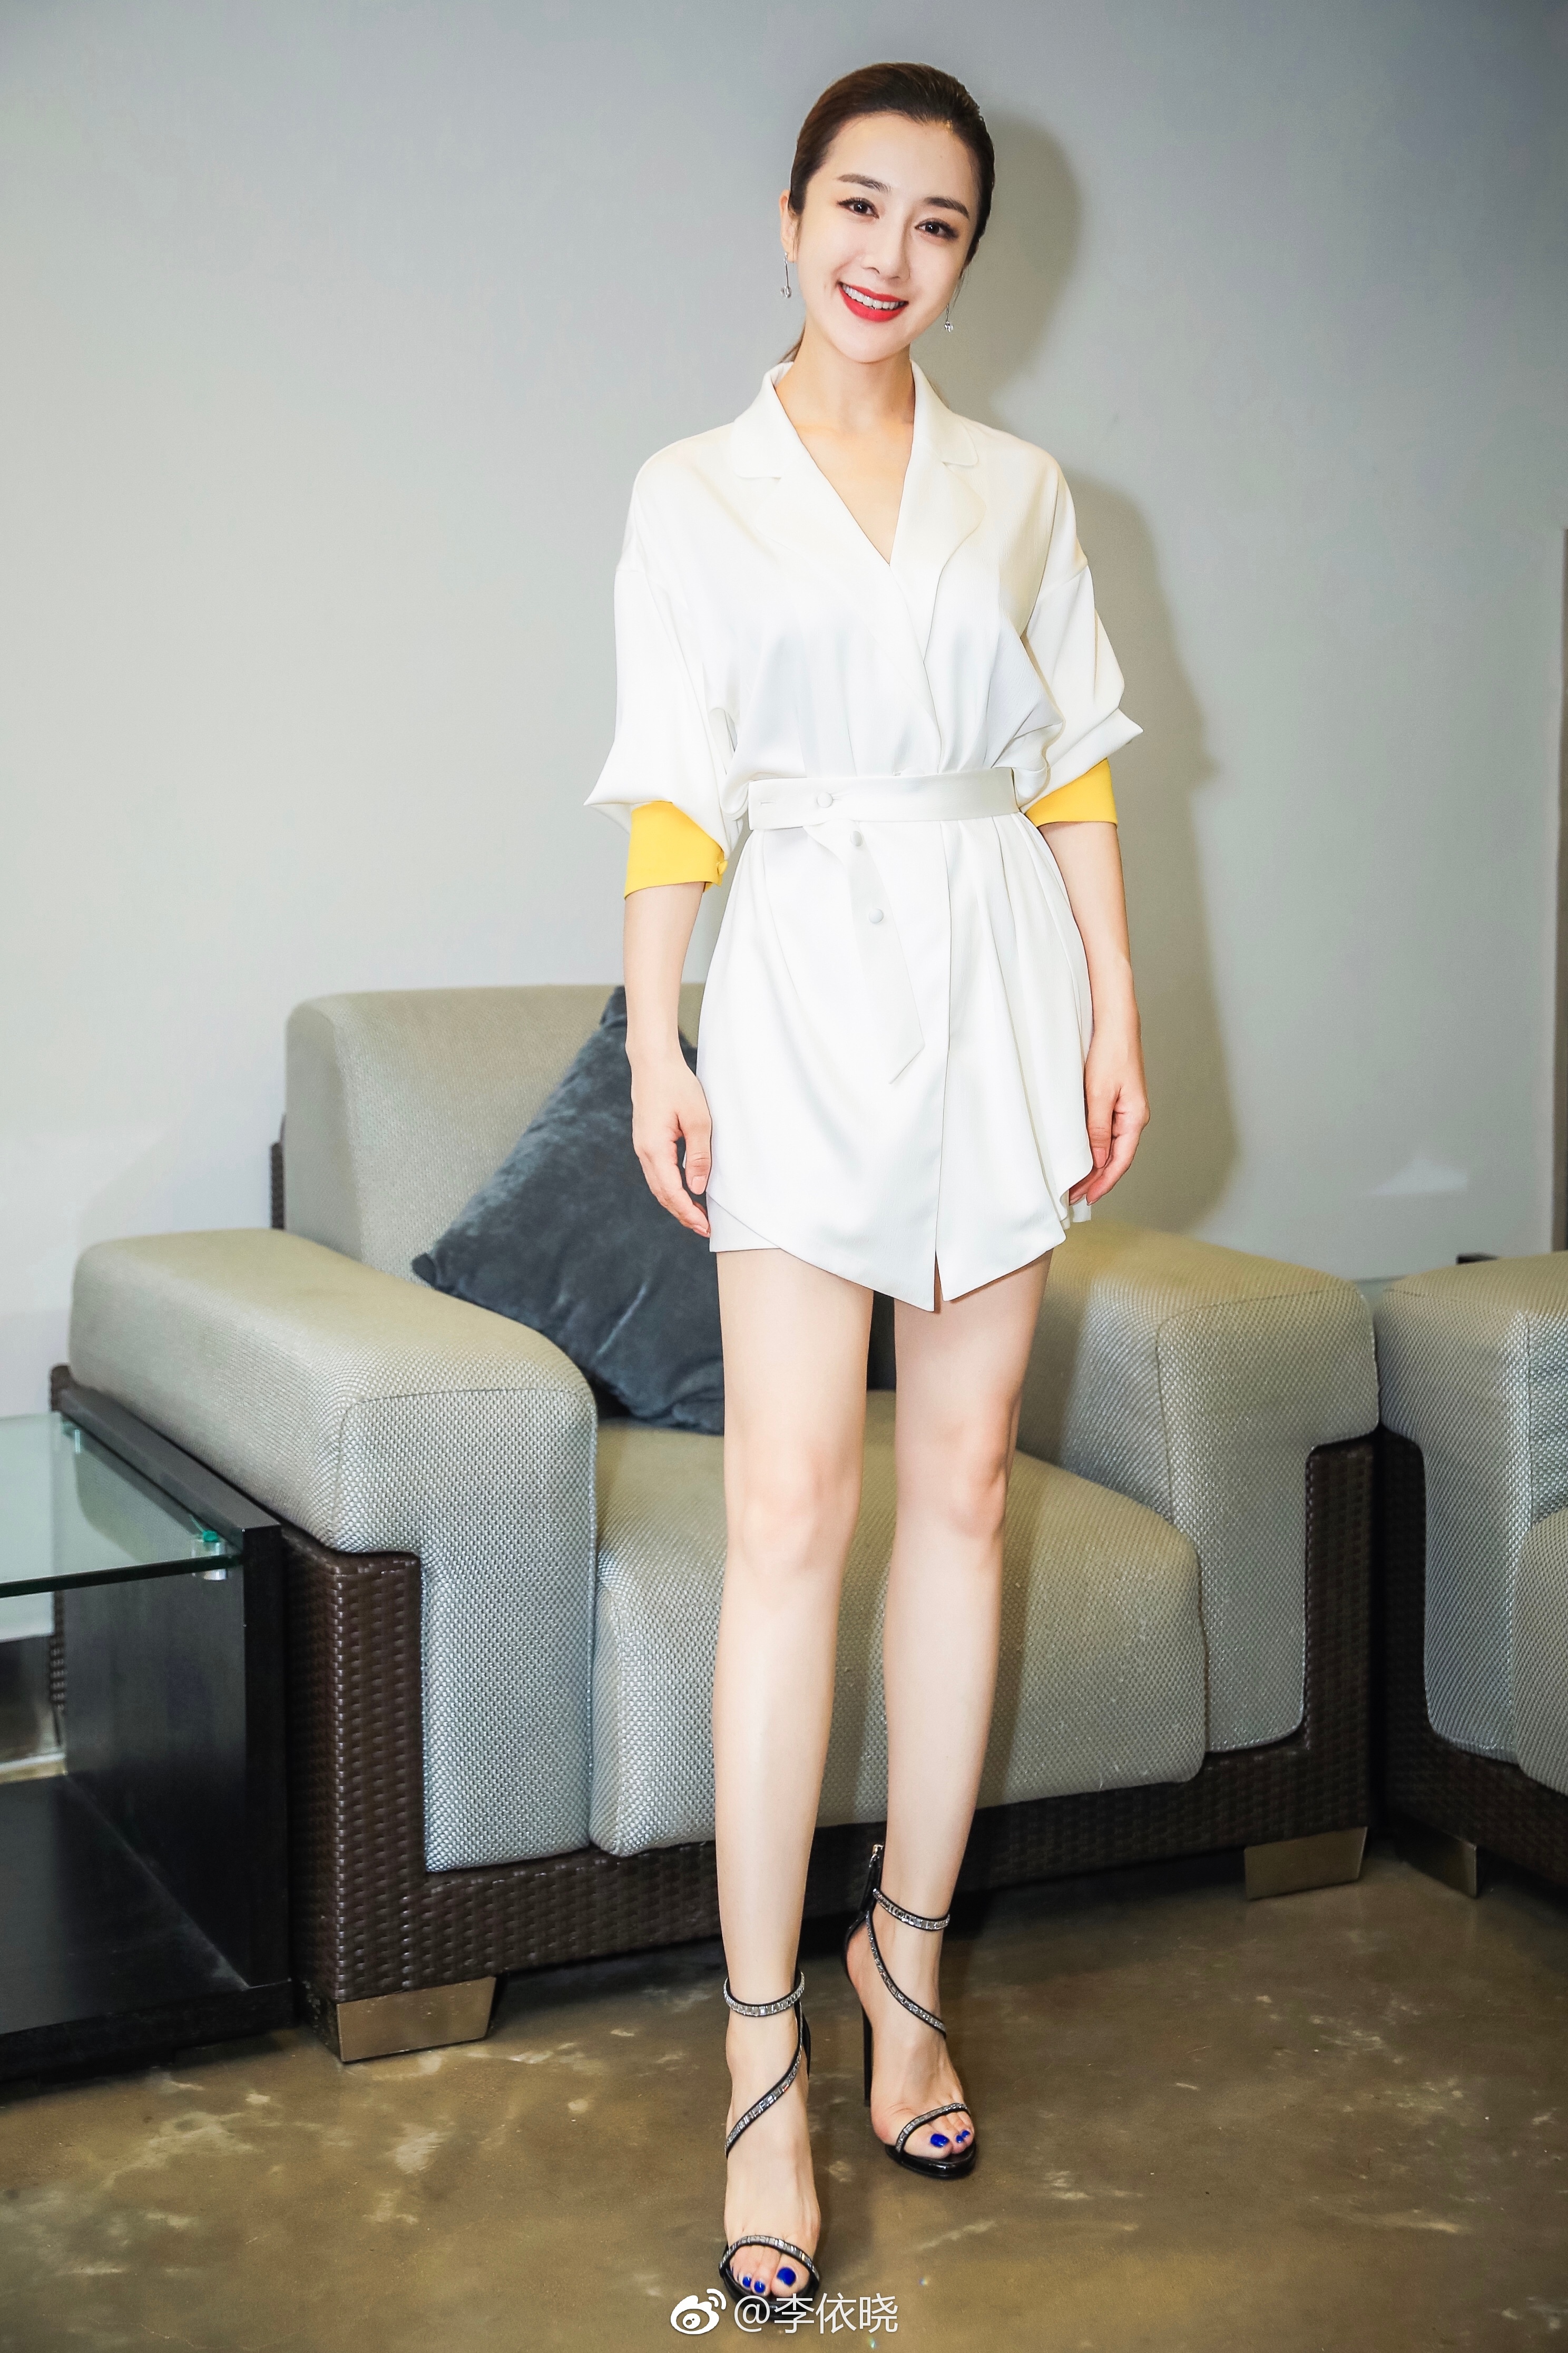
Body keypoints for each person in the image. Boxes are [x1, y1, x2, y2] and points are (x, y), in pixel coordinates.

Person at [584, 61, 1149, 2319]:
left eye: (935, 222)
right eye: (855, 203)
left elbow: (1073, 765)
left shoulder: (1022, 490)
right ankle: (757, 2053)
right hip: (804, 975)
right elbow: (675, 790)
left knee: (969, 1486)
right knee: (790, 1509)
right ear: (791, 216)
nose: (888, 253)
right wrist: (656, 1034)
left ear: (969, 257)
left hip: (1000, 973)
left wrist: (1117, 1010)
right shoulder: (694, 489)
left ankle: (903, 1962)